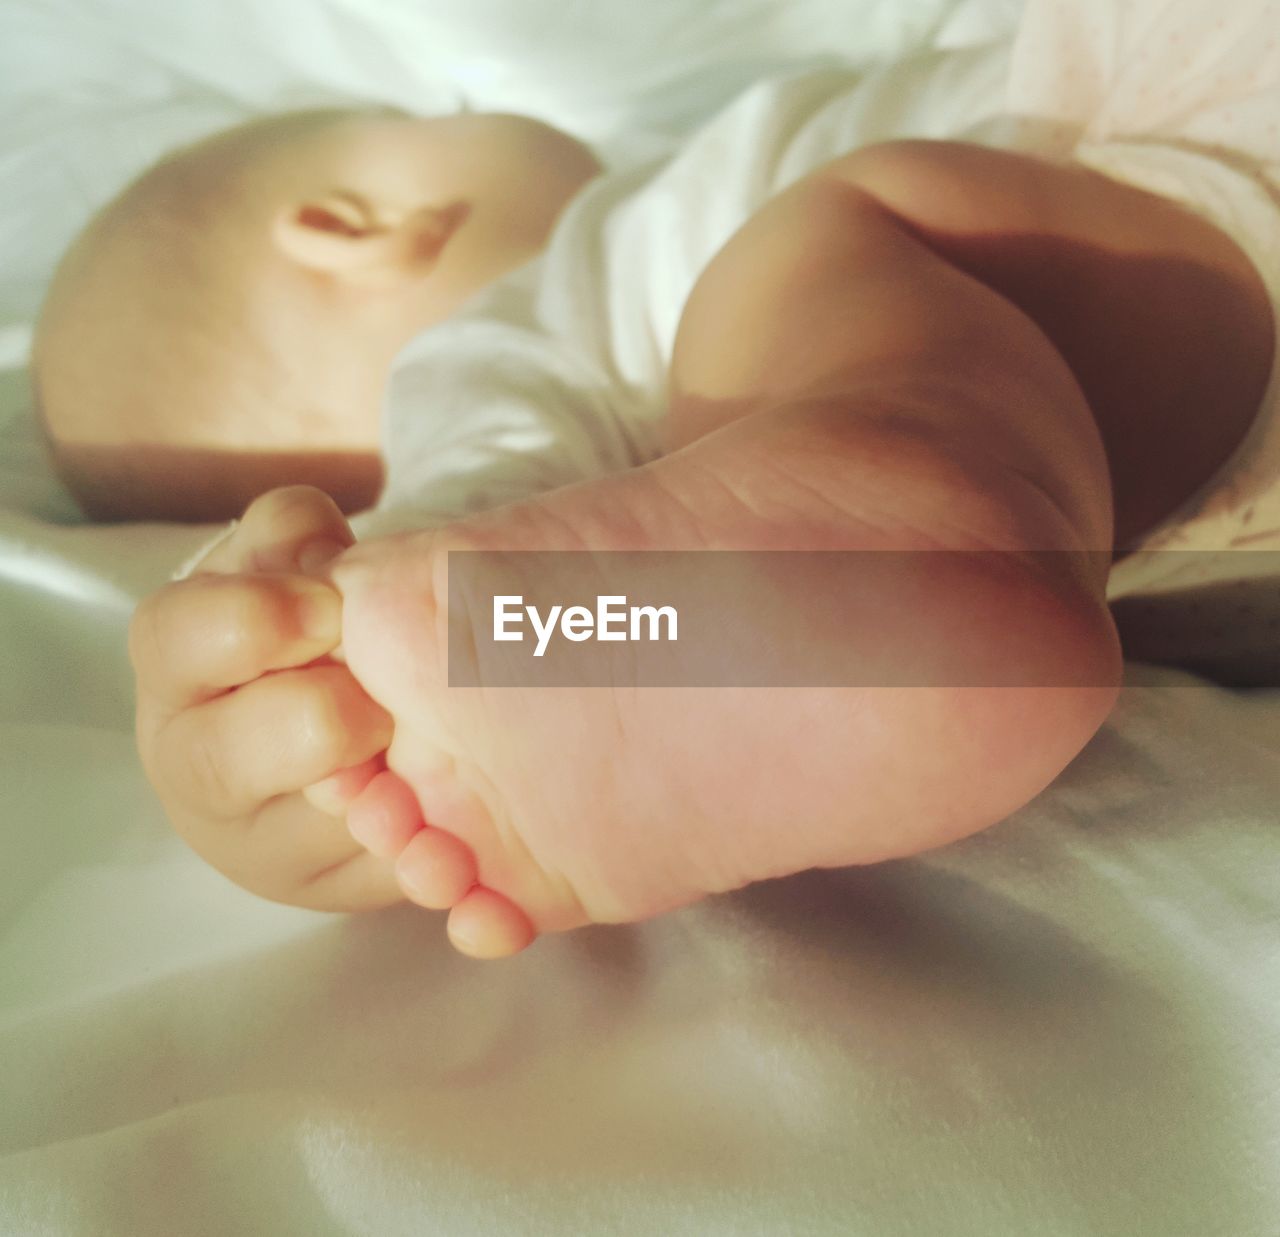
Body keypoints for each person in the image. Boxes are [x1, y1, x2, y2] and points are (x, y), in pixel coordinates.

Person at [35, 5, 1280, 958]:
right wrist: (348, 620)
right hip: (1199, 201)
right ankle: (761, 557)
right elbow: (471, 487)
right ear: (352, 223)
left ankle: (697, 609)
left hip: (1165, 519)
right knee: (829, 236)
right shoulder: (554, 299)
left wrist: (332, 738)